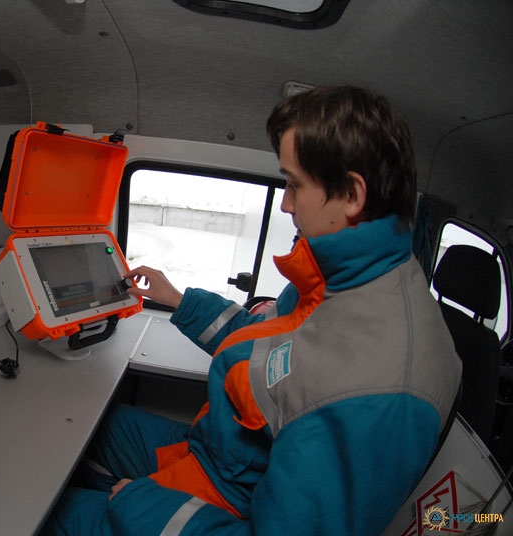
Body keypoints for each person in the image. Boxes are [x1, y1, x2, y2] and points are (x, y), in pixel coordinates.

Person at [41, 85, 462, 535]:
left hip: (229, 501)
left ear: (352, 195)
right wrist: (178, 300)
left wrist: (140, 503)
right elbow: (264, 344)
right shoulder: (343, 279)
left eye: (294, 184)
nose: (285, 202)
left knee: (50, 516)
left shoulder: (377, 392)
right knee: (92, 428)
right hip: (220, 456)